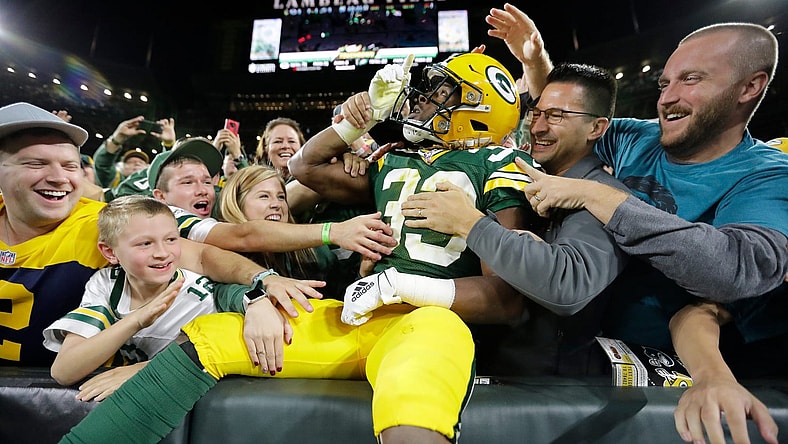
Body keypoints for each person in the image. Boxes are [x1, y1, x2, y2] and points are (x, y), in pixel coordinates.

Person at [491, 6, 788, 442]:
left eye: (692, 79)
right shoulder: (641, 136)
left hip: (685, 371)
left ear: (750, 87)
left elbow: (733, 272)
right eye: (666, 81)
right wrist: (535, 62)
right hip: (590, 350)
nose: (666, 96)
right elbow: (574, 118)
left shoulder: (766, 175)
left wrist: (600, 196)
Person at [0, 101, 321, 366]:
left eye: (70, 166)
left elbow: (212, 258)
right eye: (36, 163)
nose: (59, 178)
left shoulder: (108, 223)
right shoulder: (122, 226)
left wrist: (260, 288)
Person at [401, 62, 631, 375]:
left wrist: (470, 224)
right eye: (536, 113)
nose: (537, 127)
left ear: (596, 128)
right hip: (484, 363)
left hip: (545, 389)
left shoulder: (602, 195)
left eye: (556, 116)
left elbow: (569, 284)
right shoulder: (525, 173)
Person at [290, 52, 539, 328]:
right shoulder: (396, 158)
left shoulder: (499, 164)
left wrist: (399, 286)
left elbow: (505, 299)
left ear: (478, 108)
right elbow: (304, 166)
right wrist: (368, 114)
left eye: (441, 90)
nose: (423, 96)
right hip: (367, 314)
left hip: (438, 326)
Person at [43, 195, 289, 402]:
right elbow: (63, 372)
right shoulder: (106, 284)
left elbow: (223, 339)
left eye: (171, 239)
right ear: (109, 252)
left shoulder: (195, 285)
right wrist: (136, 320)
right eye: (145, 244)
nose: (162, 253)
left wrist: (146, 369)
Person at [146, 136, 397, 261]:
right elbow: (245, 235)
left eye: (207, 180)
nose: (203, 190)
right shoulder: (160, 219)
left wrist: (348, 167)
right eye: (187, 182)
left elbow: (295, 195)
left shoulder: (218, 206)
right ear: (160, 197)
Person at [217, 165, 346, 298]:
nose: (276, 204)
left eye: (281, 197)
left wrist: (362, 271)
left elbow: (342, 294)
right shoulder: (222, 257)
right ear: (237, 204)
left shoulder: (314, 251)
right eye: (264, 196)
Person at [93, 116, 174, 189]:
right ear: (122, 168)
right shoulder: (115, 182)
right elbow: (103, 165)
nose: (137, 163)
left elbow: (169, 168)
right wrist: (118, 137)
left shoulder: (155, 184)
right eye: (131, 162)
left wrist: (169, 144)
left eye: (141, 162)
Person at [253, 117, 304, 182]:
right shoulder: (254, 180)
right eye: (278, 141)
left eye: (291, 141)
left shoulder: (313, 182)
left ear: (301, 147)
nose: (285, 146)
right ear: (266, 148)